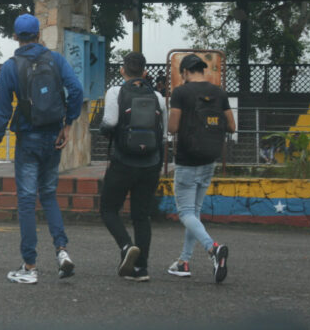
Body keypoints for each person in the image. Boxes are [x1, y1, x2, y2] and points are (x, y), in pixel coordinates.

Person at [0, 13, 83, 284]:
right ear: (39, 35)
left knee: (28, 200)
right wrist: (67, 124)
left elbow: (2, 110)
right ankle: (62, 251)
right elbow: (76, 90)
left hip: (28, 139)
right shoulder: (56, 60)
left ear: (15, 37)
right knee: (49, 194)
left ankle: (29, 266)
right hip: (53, 137)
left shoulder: (10, 67)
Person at [99, 52, 167, 282]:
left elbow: (109, 123)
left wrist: (105, 132)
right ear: (145, 72)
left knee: (108, 210)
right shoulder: (158, 97)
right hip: (150, 163)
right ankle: (141, 270)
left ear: (122, 70)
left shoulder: (115, 92)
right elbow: (164, 135)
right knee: (141, 216)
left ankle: (126, 246)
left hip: (123, 161)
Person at [167, 54, 236, 282]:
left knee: (185, 213)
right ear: (202, 70)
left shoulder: (180, 92)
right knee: (194, 213)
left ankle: (212, 248)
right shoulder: (219, 93)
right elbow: (232, 126)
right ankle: (184, 262)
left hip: (187, 160)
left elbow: (173, 127)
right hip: (209, 159)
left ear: (185, 72)